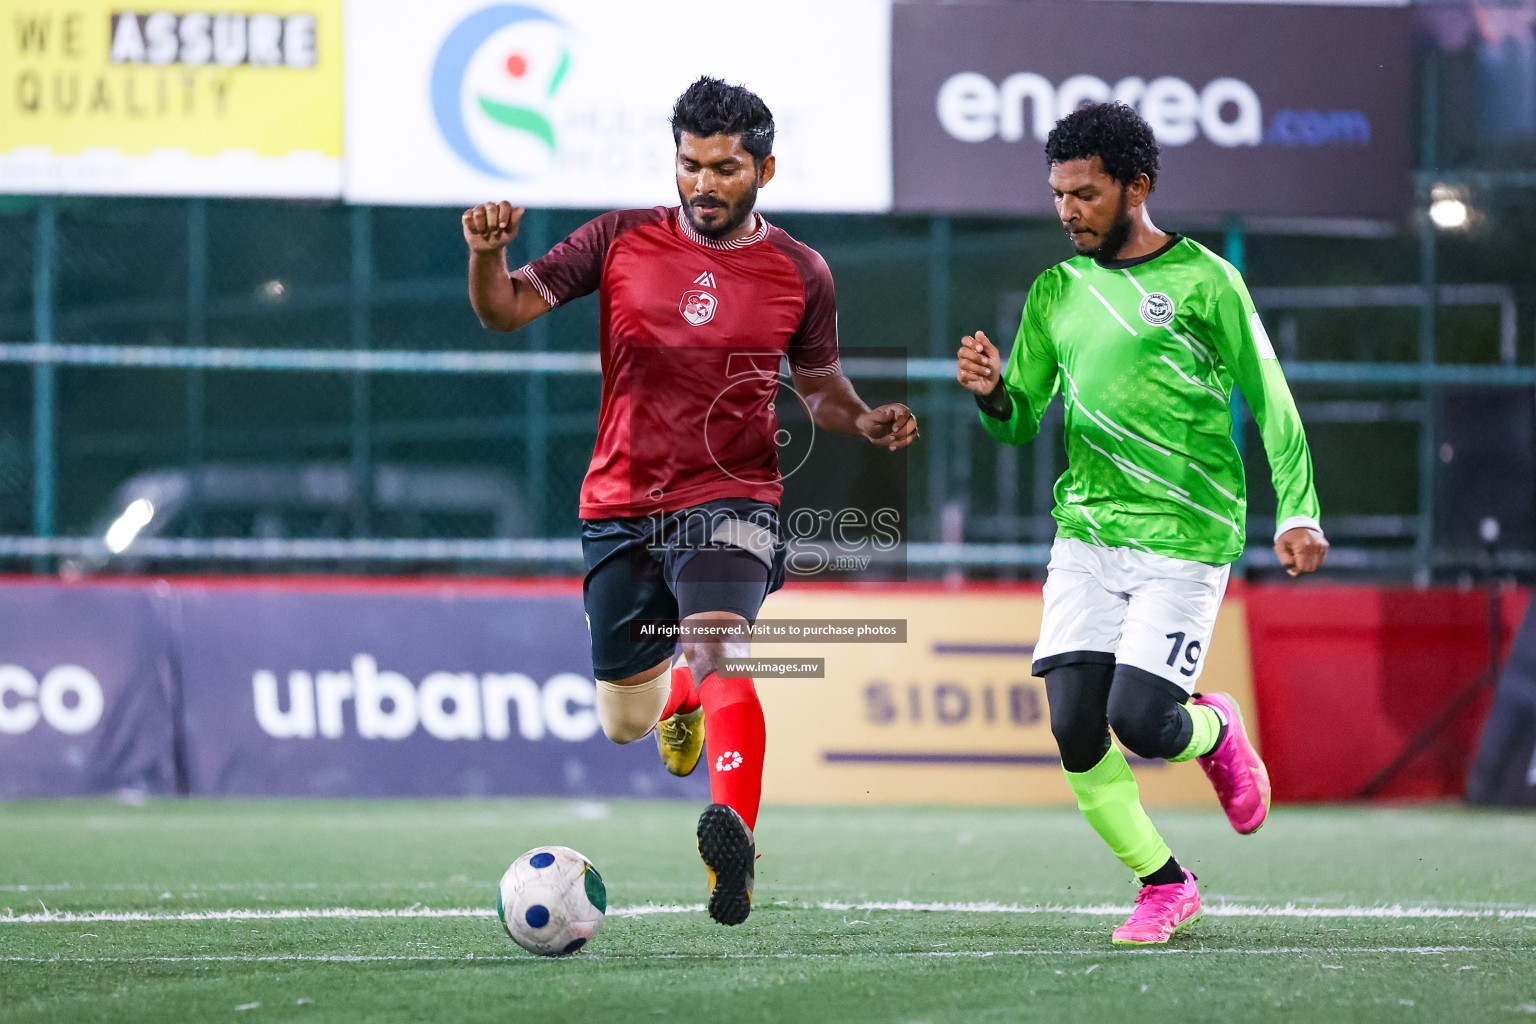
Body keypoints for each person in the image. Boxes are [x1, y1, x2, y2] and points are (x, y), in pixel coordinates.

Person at [462, 76, 917, 926]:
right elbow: (504, 312)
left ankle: (731, 856)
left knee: (717, 647)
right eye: (691, 165)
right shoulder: (618, 239)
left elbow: (817, 387)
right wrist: (488, 255)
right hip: (619, 504)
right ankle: (676, 701)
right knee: (625, 722)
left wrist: (862, 417)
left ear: (764, 170)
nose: (705, 184)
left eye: (725, 168)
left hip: (731, 493)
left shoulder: (799, 272)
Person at [955, 102, 1328, 946]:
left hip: (1185, 537)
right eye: (1058, 194)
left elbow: (1271, 401)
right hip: (1089, 532)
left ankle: (1217, 728)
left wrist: (1298, 509)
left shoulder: (1205, 281)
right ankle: (1164, 884)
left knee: (1144, 722)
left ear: (1137, 186)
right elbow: (1022, 420)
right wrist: (990, 395)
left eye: (1084, 193)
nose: (1067, 211)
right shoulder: (1055, 291)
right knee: (1073, 724)